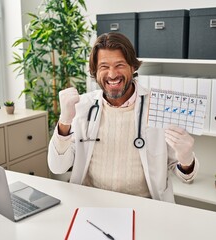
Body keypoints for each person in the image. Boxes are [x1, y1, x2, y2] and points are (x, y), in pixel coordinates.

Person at [48, 32, 199, 203]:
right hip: (92, 202)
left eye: (119, 65)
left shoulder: (160, 106)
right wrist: (64, 121)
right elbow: (58, 167)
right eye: (104, 66)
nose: (112, 74)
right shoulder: (83, 106)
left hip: (144, 204)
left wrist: (186, 158)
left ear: (132, 67)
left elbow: (186, 176)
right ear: (95, 71)